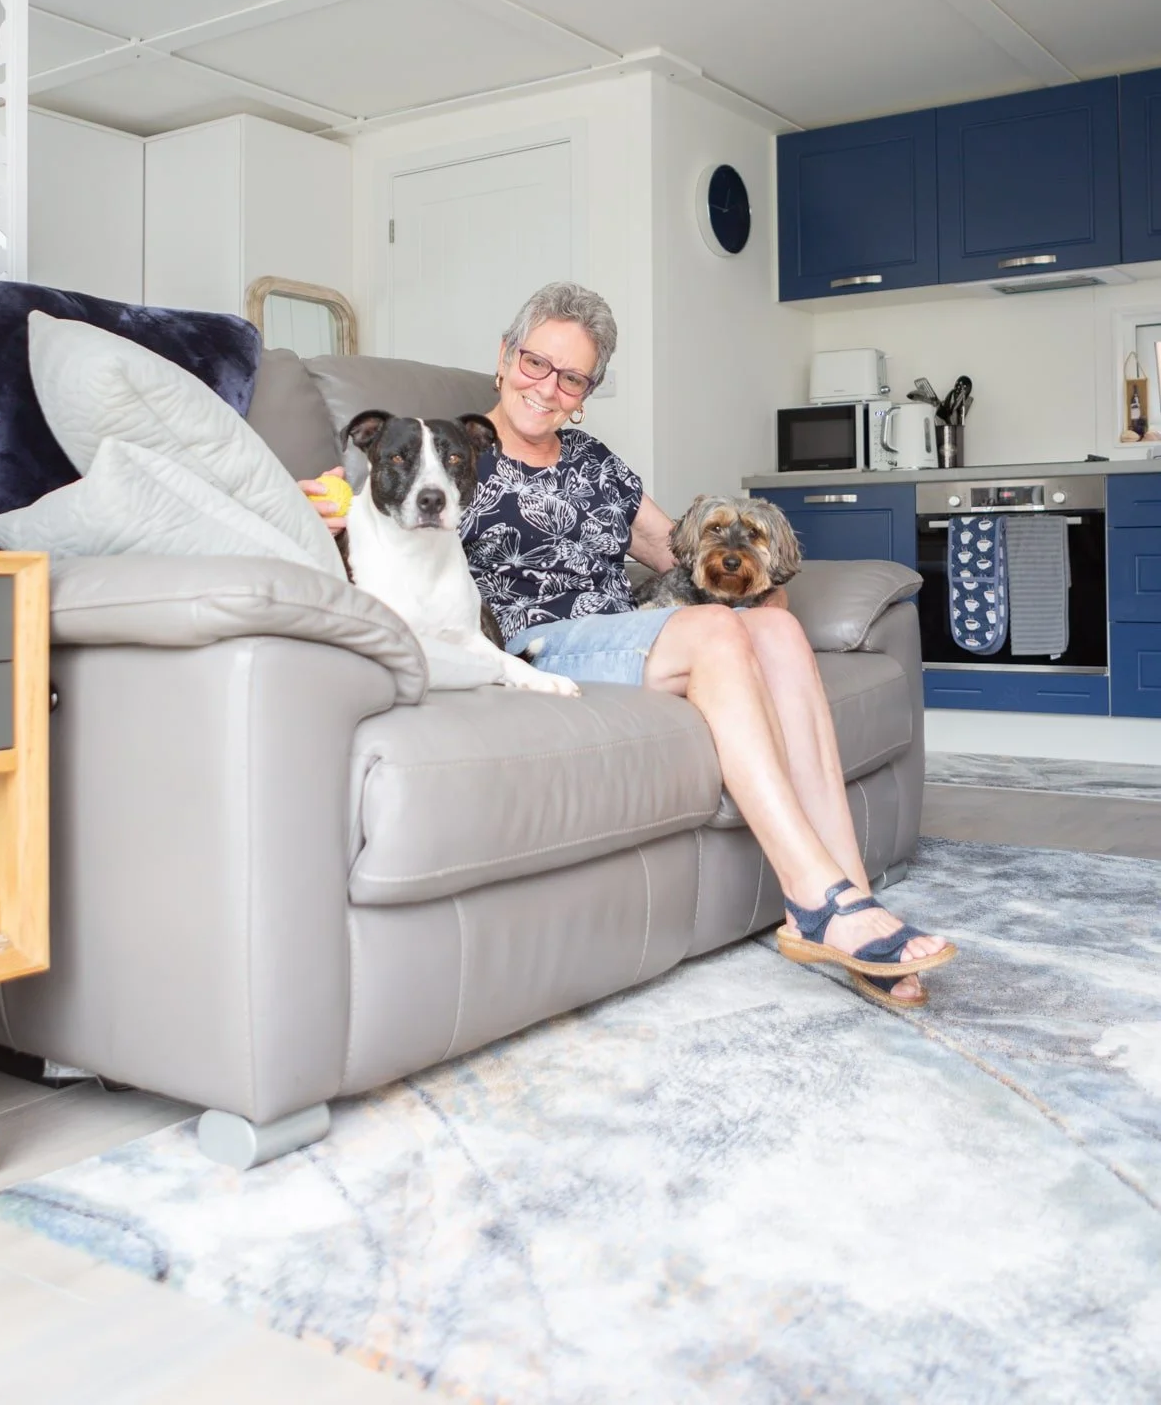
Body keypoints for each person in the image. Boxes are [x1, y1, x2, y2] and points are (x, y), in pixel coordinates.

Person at [305, 282, 953, 1006]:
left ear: (589, 390)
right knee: (713, 630)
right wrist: (331, 505)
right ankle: (814, 898)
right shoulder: (450, 453)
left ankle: (853, 904)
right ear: (504, 356)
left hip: (632, 634)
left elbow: (682, 552)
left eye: (571, 377)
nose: (546, 389)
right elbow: (373, 504)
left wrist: (762, 590)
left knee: (772, 622)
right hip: (540, 645)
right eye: (534, 363)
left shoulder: (592, 461)